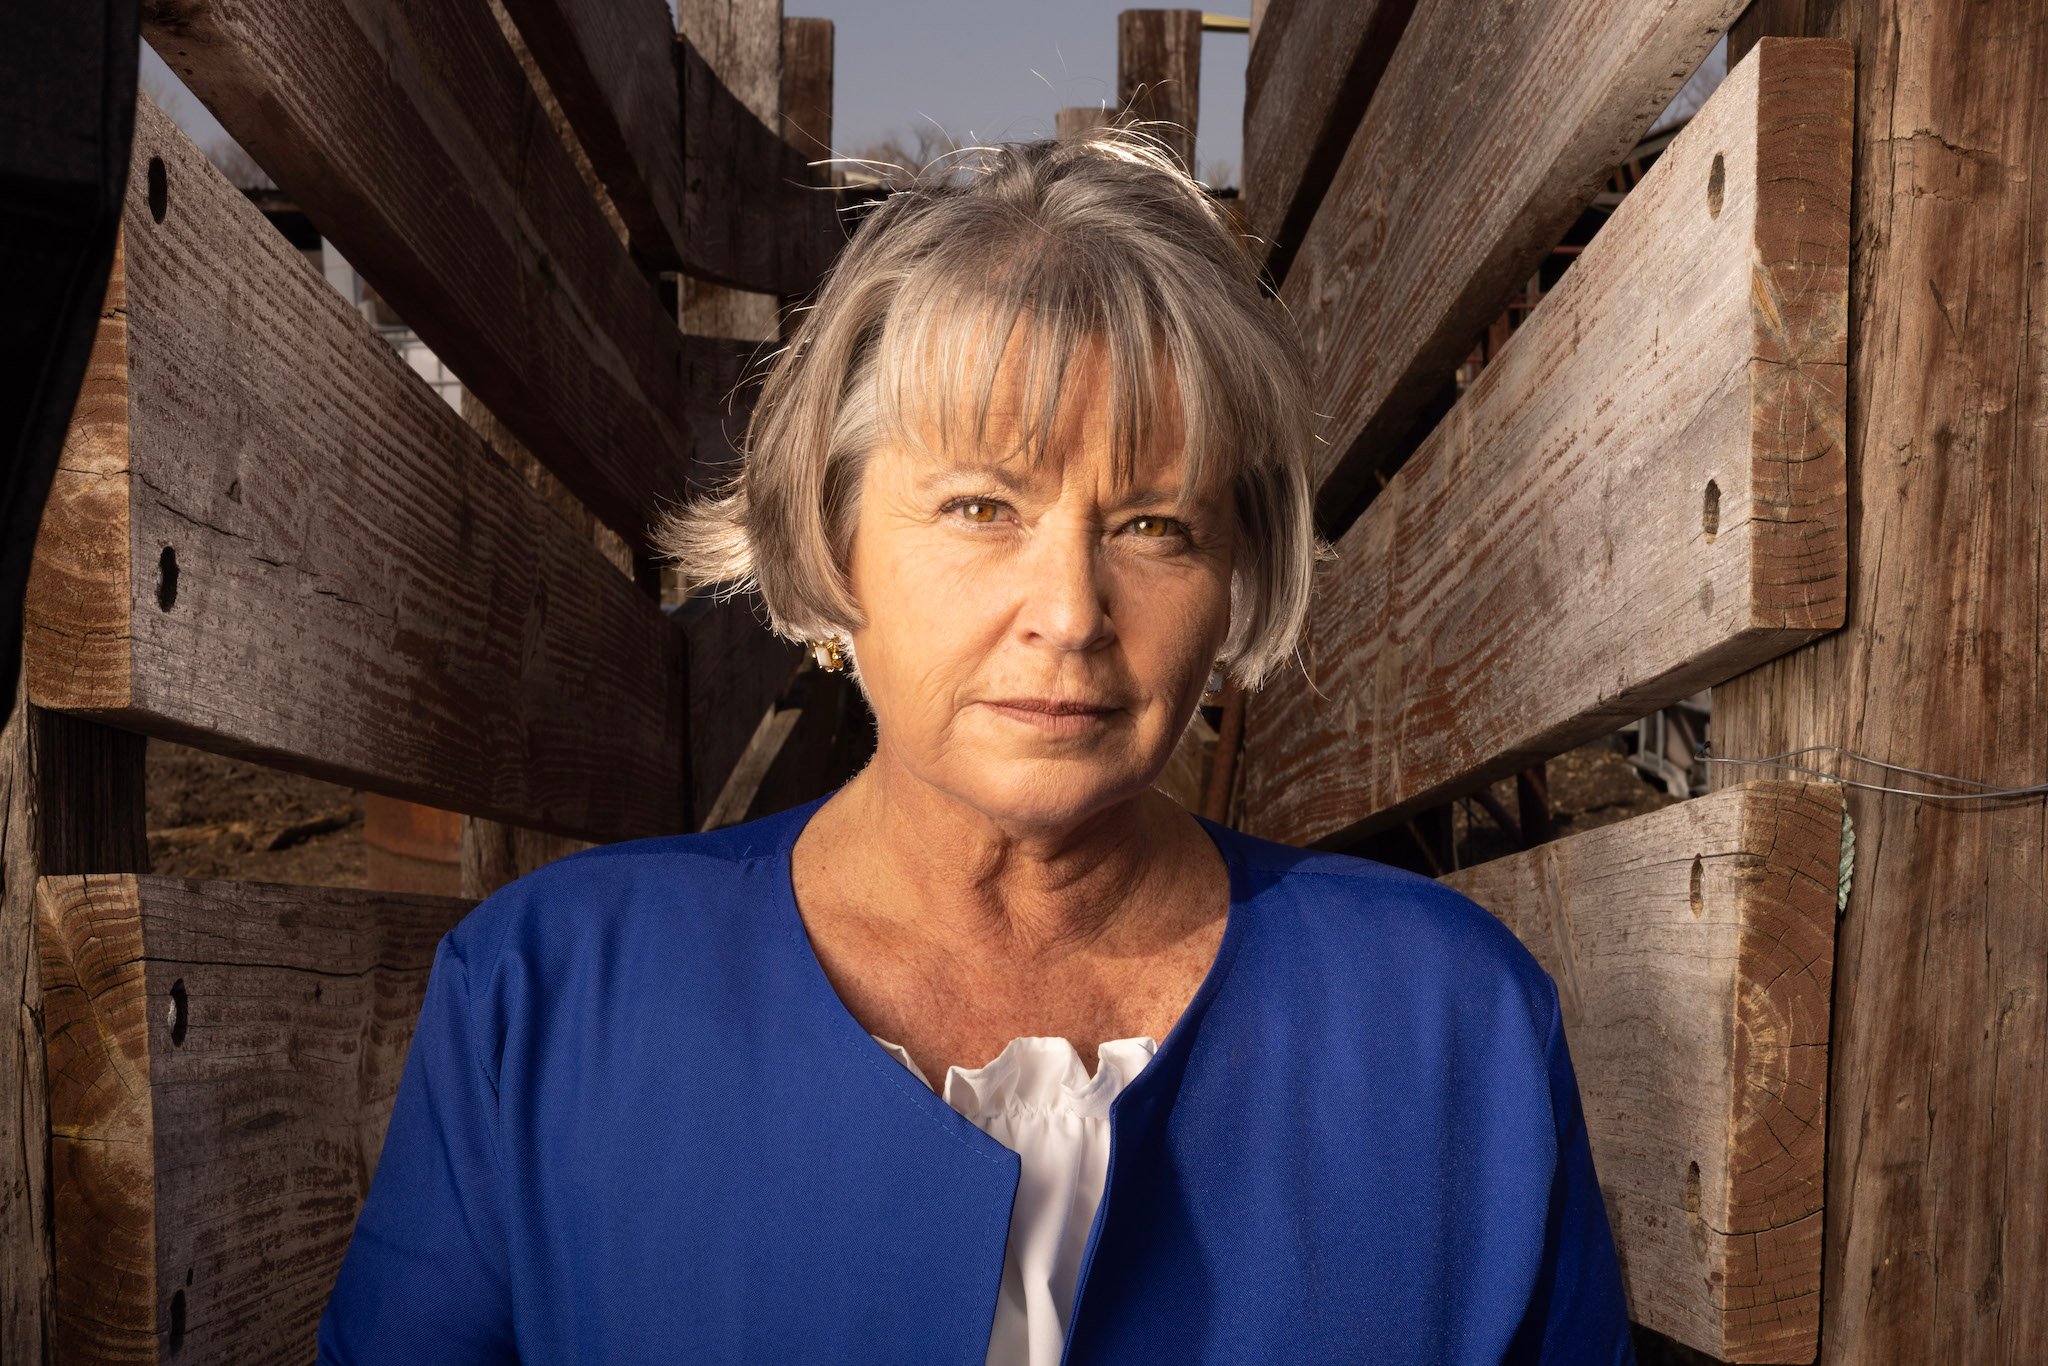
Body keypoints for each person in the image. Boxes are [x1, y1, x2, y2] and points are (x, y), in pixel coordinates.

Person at [316, 124, 1634, 1364]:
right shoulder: (541, 1001)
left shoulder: (1459, 1030)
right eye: (982, 505)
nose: (1068, 613)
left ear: (1235, 580)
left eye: (1156, 526)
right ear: (835, 542)